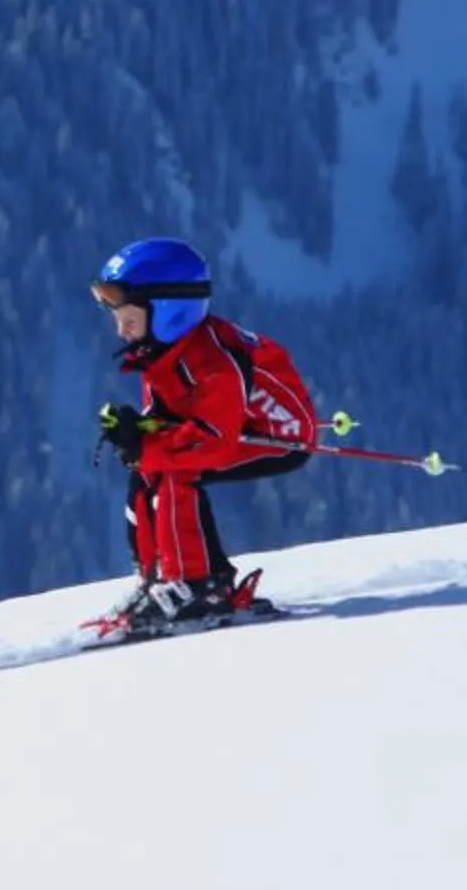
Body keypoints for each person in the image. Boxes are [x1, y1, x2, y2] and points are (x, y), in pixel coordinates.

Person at [90, 237, 317, 632]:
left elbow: (210, 441)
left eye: (129, 320)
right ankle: (157, 579)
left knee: (178, 469)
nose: (122, 332)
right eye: (117, 321)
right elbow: (172, 418)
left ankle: (197, 586)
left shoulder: (212, 363)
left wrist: (147, 445)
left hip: (279, 436)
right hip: (228, 427)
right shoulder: (163, 351)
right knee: (147, 471)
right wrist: (137, 432)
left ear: (168, 312)